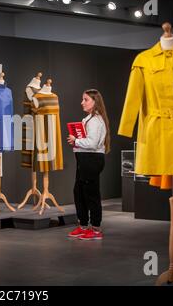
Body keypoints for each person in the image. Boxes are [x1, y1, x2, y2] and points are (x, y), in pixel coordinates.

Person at [66, 89, 110, 240]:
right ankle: (83, 225)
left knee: (91, 194)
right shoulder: (88, 119)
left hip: (92, 160)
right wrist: (77, 142)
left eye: (85, 100)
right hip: (84, 160)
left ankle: (96, 229)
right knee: (79, 192)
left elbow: (91, 143)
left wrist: (76, 141)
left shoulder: (96, 121)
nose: (82, 102)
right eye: (82, 99)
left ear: (94, 102)